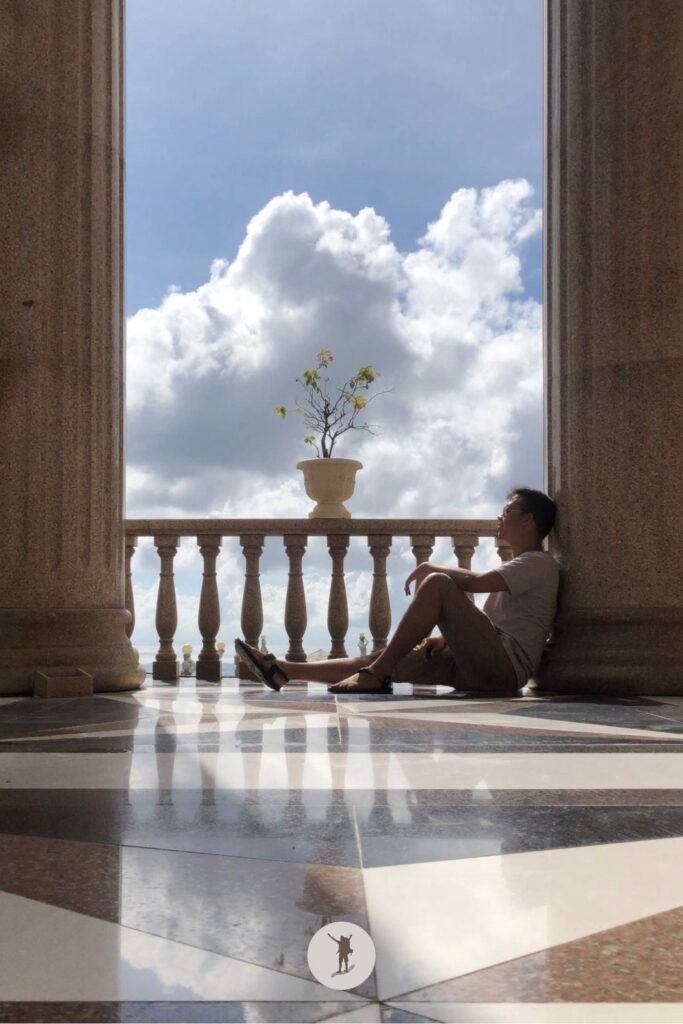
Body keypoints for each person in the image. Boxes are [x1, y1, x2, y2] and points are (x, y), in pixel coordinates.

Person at [235, 486, 559, 697]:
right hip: (483, 666)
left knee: (437, 584)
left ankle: (375, 675)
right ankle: (284, 671)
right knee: (386, 658)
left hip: (503, 670)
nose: (500, 517)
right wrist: (445, 639)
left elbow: (476, 583)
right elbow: (490, 624)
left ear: (528, 520)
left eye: (507, 512)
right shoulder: (518, 567)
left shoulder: (539, 564)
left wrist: (432, 567)